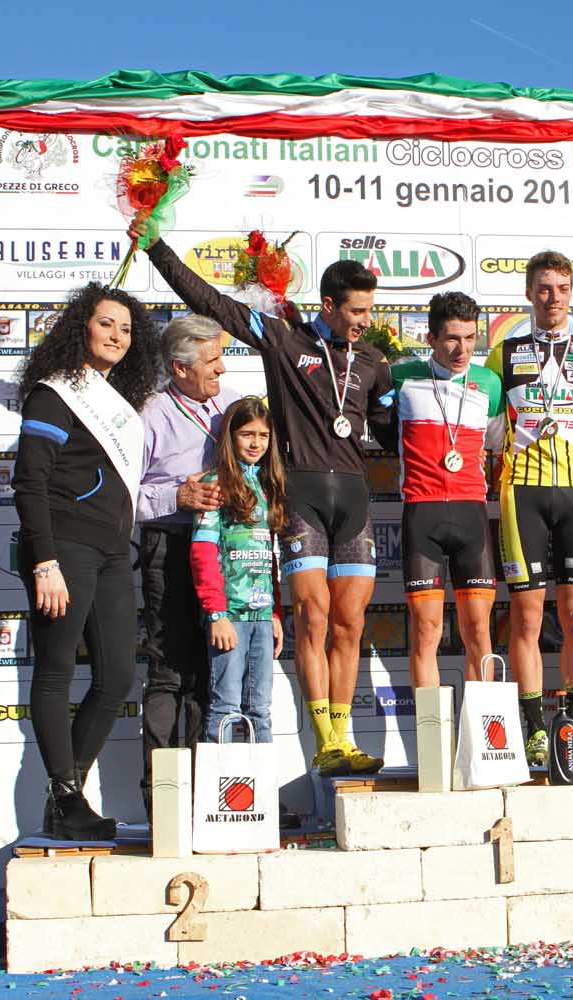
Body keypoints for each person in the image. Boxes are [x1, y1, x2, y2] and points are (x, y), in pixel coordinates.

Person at [144, 236, 396, 777]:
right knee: (313, 616)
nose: (364, 321)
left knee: (350, 623)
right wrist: (158, 249)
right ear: (328, 304)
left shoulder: (374, 360)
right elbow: (213, 303)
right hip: (303, 495)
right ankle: (326, 741)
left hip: (353, 498)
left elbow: (391, 430)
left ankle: (345, 736)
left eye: (369, 310)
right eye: (356, 311)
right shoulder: (284, 339)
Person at [12, 283, 161, 840]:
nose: (117, 336)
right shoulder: (55, 395)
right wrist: (44, 562)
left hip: (112, 553)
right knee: (55, 670)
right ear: (82, 327)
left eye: (126, 328)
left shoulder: (113, 402)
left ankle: (65, 796)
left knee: (118, 675)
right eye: (106, 324)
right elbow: (29, 483)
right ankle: (66, 797)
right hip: (64, 547)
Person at [485, 251, 573, 766]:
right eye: (543, 287)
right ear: (528, 293)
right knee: (527, 615)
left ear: (571, 293)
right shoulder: (504, 353)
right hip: (523, 491)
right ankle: (536, 729)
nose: (552, 297)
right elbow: (481, 419)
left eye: (561, 288)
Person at [136, 313, 245, 811]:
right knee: (170, 669)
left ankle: (210, 795)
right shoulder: (150, 413)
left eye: (222, 356)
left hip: (224, 548)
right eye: (212, 360)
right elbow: (123, 495)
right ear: (180, 368)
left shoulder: (230, 405)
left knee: (214, 670)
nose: (222, 367)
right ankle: (162, 800)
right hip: (171, 542)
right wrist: (176, 496)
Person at [390, 292, 505, 687]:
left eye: (471, 338)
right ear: (431, 338)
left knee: (479, 632)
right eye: (452, 338)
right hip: (422, 513)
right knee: (426, 632)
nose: (463, 349)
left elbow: (495, 443)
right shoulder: (401, 378)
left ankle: (485, 726)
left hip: (472, 512)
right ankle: (431, 729)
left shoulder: (489, 383)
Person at [189, 397, 287, 742]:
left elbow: (268, 558)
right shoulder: (216, 483)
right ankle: (223, 778)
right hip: (229, 615)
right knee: (226, 708)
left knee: (260, 710)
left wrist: (275, 613)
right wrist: (216, 614)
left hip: (262, 616)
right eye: (247, 434)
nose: (256, 443)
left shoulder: (267, 485)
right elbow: (202, 553)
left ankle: (262, 779)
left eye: (263, 435)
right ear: (230, 437)